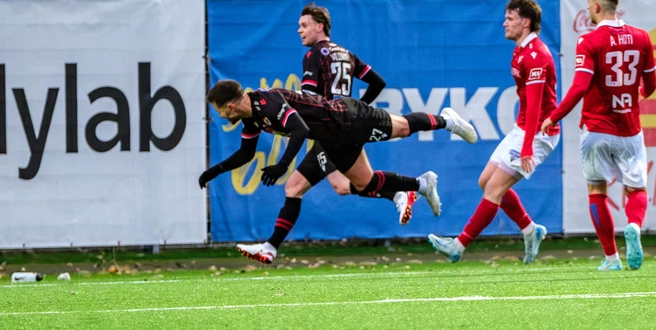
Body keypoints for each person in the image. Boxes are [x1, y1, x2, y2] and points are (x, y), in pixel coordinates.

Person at [200, 79, 478, 263]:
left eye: (219, 110)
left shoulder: (267, 103)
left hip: (348, 118)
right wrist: (213, 172)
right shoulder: (251, 118)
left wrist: (283, 165)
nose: (220, 116)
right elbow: (246, 153)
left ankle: (447, 120)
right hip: (333, 139)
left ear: (230, 105)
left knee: (403, 128)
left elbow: (300, 129)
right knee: (365, 184)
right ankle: (422, 184)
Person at [237, 4, 411, 266]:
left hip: (330, 129)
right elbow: (378, 82)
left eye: (304, 25)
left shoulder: (313, 54)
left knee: (298, 187)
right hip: (344, 123)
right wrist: (357, 109)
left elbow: (309, 99)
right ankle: (399, 193)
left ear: (319, 26)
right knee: (339, 186)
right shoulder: (345, 53)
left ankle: (270, 248)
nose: (299, 30)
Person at [429, 0, 556, 264]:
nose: (504, 23)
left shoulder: (536, 56)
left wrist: (527, 146)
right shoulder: (520, 50)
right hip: (524, 127)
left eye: (510, 19)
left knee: (494, 190)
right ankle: (530, 230)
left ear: (525, 22)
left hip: (538, 133)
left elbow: (536, 106)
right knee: (485, 182)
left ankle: (458, 246)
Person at [541, 0, 656, 271]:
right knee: (636, 188)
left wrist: (554, 116)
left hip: (597, 129)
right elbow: (651, 85)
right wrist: (638, 95)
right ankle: (634, 226)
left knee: (596, 190)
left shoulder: (589, 41)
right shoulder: (642, 37)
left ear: (595, 5)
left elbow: (580, 87)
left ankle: (611, 258)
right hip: (629, 128)